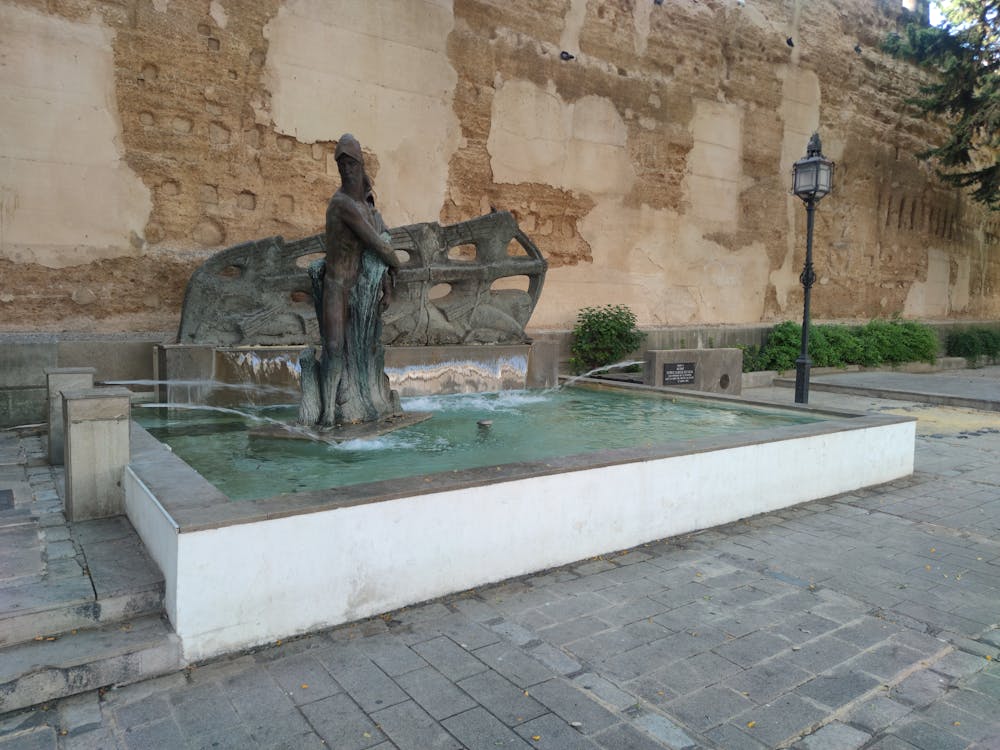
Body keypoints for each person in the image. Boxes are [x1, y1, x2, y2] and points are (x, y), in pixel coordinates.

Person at [317, 133, 401, 427]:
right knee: (334, 347)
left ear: (361, 164)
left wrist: (388, 280)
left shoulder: (367, 206)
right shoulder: (342, 204)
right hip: (337, 287)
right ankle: (327, 413)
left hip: (361, 290)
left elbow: (383, 235)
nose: (346, 169)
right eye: (341, 164)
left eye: (351, 163)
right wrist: (398, 263)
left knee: (364, 348)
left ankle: (361, 399)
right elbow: (378, 245)